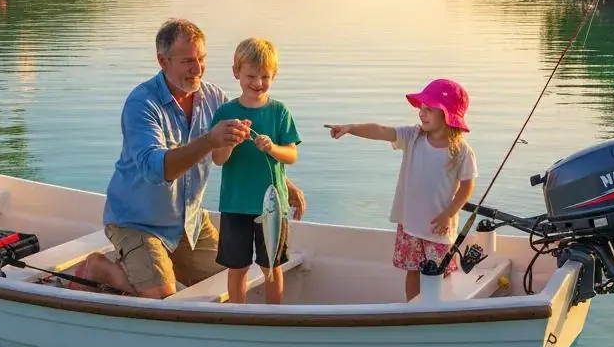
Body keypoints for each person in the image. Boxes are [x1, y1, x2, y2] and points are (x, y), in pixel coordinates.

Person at [98, 19, 306, 299]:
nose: (196, 69)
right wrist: (209, 140)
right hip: (138, 222)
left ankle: (163, 266)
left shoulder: (213, 98)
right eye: (187, 61)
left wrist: (284, 182)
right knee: (162, 297)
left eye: (201, 59)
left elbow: (246, 146)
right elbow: (155, 170)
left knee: (229, 275)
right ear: (163, 60)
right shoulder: (142, 103)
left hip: (189, 221)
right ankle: (103, 269)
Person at [326, 78, 477, 301]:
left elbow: (467, 187)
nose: (421, 113)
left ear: (447, 115)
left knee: (440, 275)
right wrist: (350, 128)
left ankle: (439, 311)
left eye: (428, 109)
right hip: (410, 226)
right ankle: (413, 309)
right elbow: (381, 131)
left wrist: (450, 213)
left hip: (439, 229)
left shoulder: (461, 151)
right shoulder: (413, 136)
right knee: (413, 270)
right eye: (421, 108)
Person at [211, 38, 300, 304]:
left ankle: (274, 315)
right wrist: (231, 142)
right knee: (236, 268)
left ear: (274, 75)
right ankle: (237, 313)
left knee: (271, 266)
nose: (258, 82)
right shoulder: (226, 112)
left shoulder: (279, 111)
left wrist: (272, 148)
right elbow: (218, 159)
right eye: (251, 75)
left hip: (272, 208)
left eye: (265, 76)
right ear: (236, 72)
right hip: (235, 205)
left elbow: (292, 155)